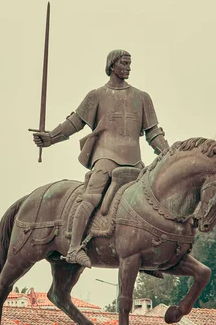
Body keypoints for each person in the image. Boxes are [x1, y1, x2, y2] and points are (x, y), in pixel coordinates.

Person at [33, 49, 169, 268]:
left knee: (151, 201)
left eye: (129, 63)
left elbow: (153, 131)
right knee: (91, 197)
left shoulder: (142, 97)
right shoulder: (96, 95)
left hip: (135, 162)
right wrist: (50, 138)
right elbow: (74, 123)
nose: (128, 68)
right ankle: (75, 247)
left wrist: (167, 152)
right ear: (112, 65)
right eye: (124, 63)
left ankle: (145, 251)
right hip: (106, 157)